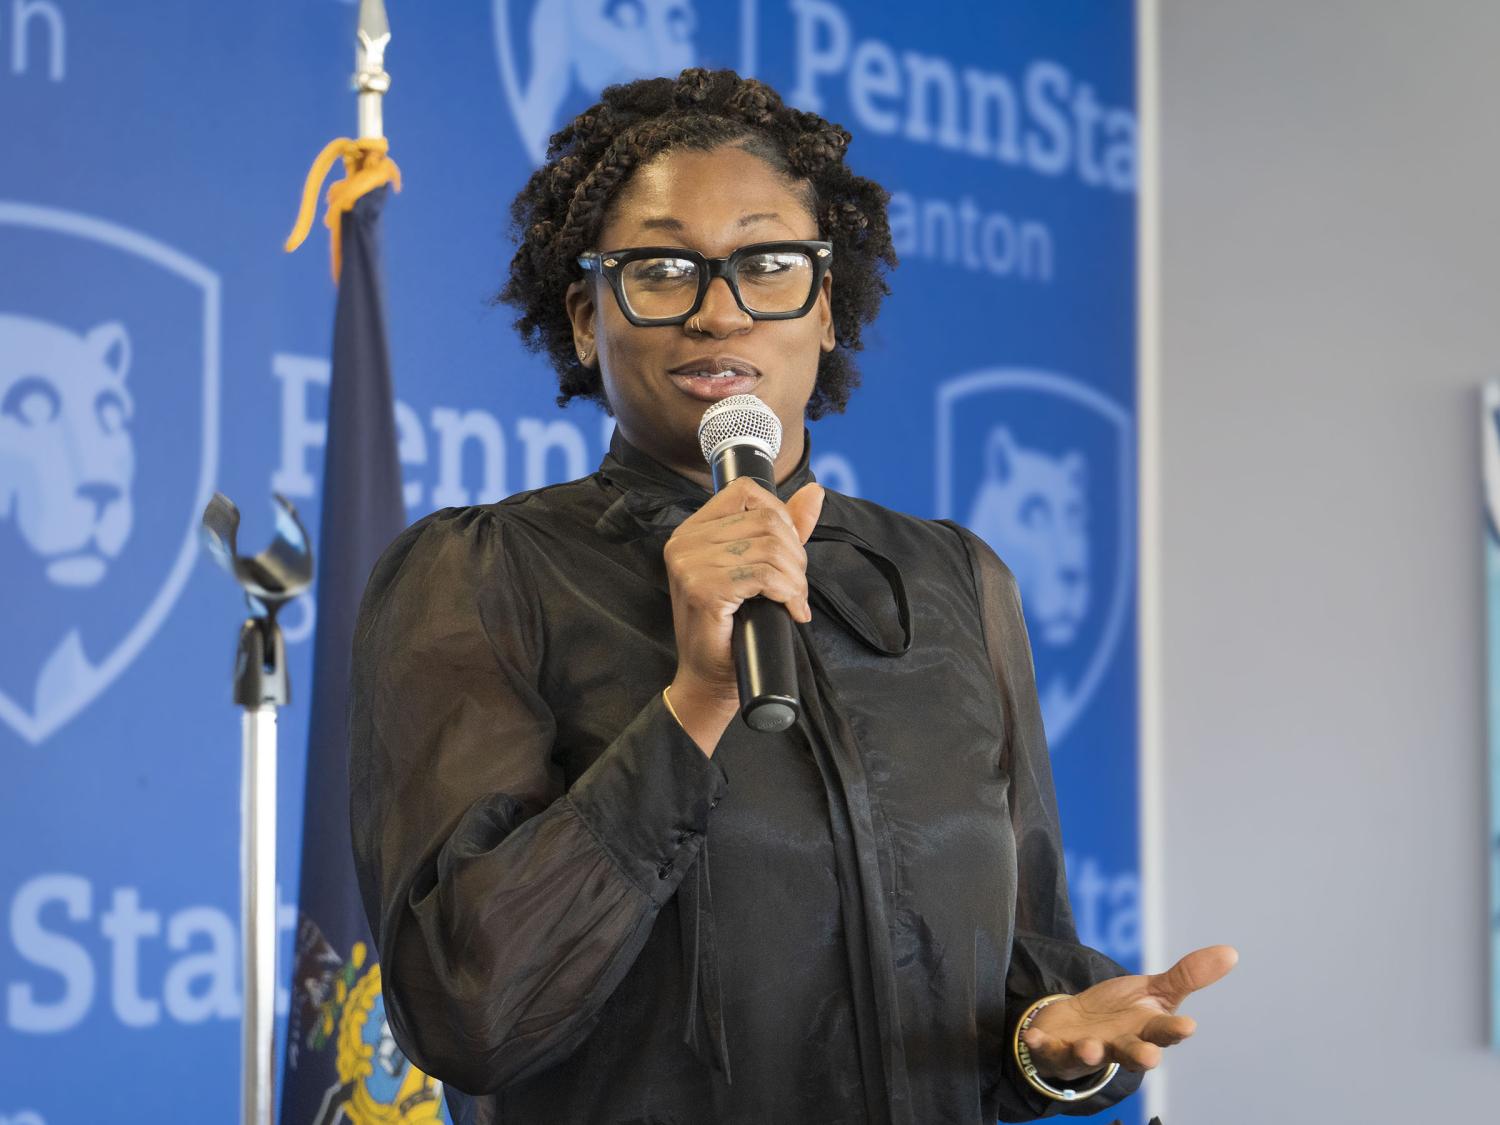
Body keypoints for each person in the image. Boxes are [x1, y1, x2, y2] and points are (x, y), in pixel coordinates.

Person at [349, 68, 1236, 1125]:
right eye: (661, 267)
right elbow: (468, 1014)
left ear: (827, 309)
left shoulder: (956, 582)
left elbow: (1022, 973)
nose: (719, 310)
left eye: (769, 263)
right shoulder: (482, 576)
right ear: (586, 318)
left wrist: (1053, 1043)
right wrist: (693, 707)